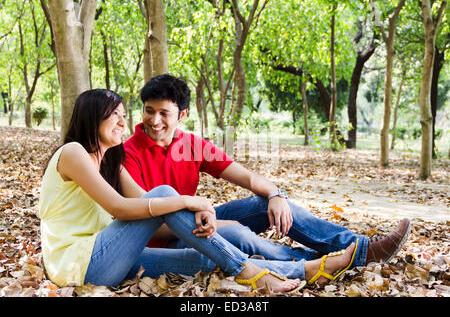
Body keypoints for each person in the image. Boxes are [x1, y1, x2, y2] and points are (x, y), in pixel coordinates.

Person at [38, 89, 360, 292]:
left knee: (202, 259)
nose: (124, 123)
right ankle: (247, 270)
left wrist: (273, 193)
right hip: (82, 264)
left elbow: (140, 201)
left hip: (111, 257)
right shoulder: (74, 153)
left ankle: (309, 269)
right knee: (166, 194)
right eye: (115, 116)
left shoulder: (112, 161)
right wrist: (194, 202)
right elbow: (125, 209)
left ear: (182, 115)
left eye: (124, 116)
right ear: (92, 116)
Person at [124, 74, 411, 267]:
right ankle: (324, 260)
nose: (154, 120)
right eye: (149, 111)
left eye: (164, 113)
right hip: (161, 241)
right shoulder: (128, 154)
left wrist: (276, 194)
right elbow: (148, 223)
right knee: (239, 235)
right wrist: (225, 225)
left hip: (197, 220)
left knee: (263, 202)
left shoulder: (191, 144)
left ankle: (358, 249)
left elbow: (247, 177)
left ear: (182, 115)